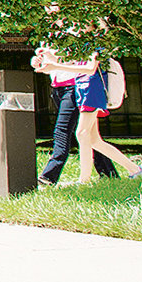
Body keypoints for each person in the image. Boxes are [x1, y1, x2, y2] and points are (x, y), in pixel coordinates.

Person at [35, 24, 120, 185]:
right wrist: (44, 61)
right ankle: (110, 173)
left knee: (69, 132)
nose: (79, 25)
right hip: (69, 88)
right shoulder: (60, 36)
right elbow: (63, 63)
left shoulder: (89, 41)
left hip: (80, 89)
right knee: (90, 137)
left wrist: (54, 64)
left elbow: (88, 68)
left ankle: (51, 176)